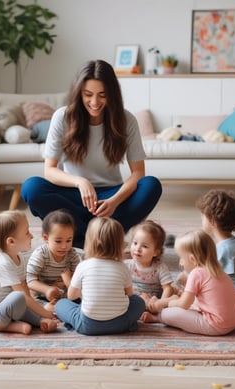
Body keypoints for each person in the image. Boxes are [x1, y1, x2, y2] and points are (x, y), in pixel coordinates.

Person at [21, 59, 162, 248]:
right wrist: (80, 182)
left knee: (151, 185)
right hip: (74, 195)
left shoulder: (126, 119)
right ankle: (100, 238)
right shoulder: (63, 117)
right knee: (32, 188)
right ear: (79, 93)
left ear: (112, 94)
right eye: (88, 94)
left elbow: (138, 173)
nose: (95, 102)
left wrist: (114, 201)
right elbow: (50, 170)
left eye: (102, 95)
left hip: (110, 197)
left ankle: (86, 237)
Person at [54, 217, 146, 335]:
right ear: (119, 244)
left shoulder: (83, 266)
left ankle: (73, 322)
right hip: (120, 324)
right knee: (139, 302)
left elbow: (71, 296)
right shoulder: (122, 267)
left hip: (87, 326)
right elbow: (129, 295)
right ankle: (130, 324)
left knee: (61, 304)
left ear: (90, 242)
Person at [143, 230, 235, 336]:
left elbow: (184, 304)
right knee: (191, 303)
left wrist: (169, 303)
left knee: (167, 313)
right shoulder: (218, 270)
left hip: (216, 326)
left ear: (192, 259)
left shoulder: (196, 273)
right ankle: (163, 308)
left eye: (181, 258)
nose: (181, 262)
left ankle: (158, 317)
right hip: (234, 321)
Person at [26, 209, 81, 310]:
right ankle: (47, 308)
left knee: (83, 298)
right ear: (46, 238)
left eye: (69, 240)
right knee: (28, 296)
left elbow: (78, 282)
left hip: (65, 295)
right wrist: (47, 289)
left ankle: (57, 308)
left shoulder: (72, 255)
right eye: (58, 241)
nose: (64, 246)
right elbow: (29, 280)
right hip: (42, 292)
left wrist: (68, 281)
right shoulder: (41, 254)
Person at [124, 220, 174, 309]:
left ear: (156, 252)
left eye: (145, 246)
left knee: (173, 292)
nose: (137, 248)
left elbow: (167, 288)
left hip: (152, 300)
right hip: (132, 297)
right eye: (135, 243)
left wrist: (161, 303)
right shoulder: (126, 265)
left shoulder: (159, 267)